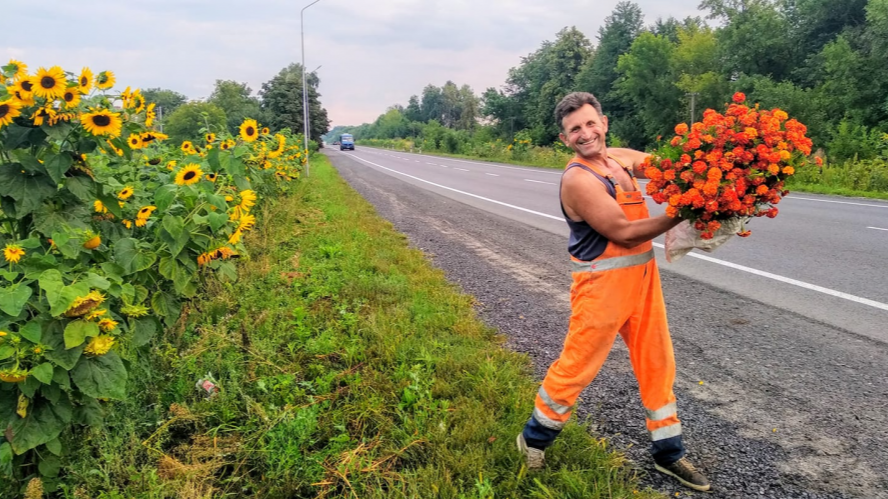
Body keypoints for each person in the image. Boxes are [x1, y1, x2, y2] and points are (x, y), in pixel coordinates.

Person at [516, 92, 710, 492]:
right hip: (601, 288)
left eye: (590, 124)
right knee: (577, 366)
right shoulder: (578, 179)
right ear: (564, 139)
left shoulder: (616, 160)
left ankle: (668, 453)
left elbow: (655, 166)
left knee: (658, 362)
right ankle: (533, 439)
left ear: (603, 122)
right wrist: (682, 211)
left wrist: (705, 176)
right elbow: (623, 231)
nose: (585, 134)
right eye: (575, 130)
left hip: (642, 284)